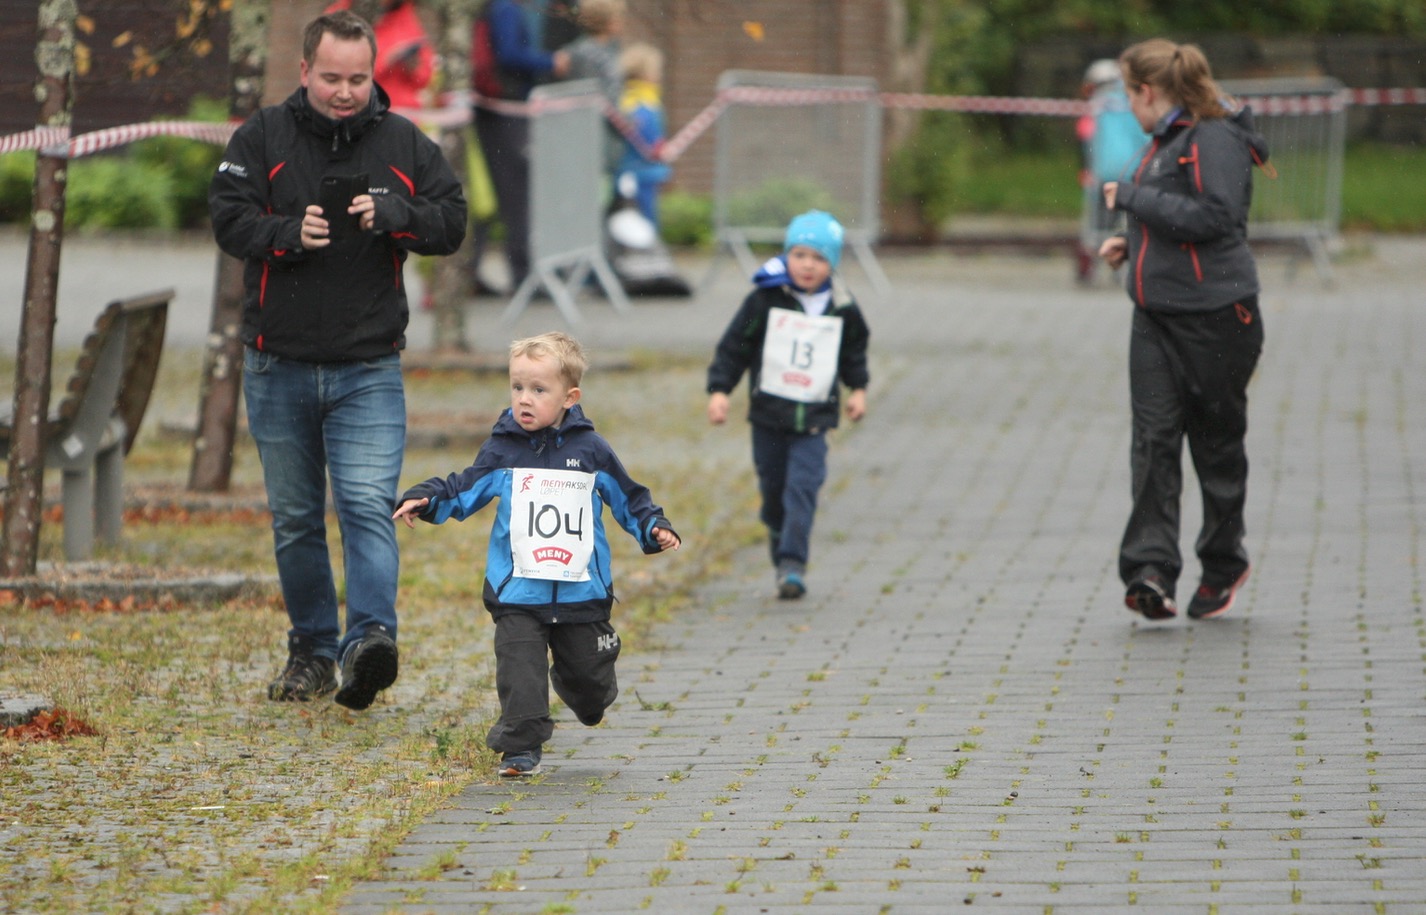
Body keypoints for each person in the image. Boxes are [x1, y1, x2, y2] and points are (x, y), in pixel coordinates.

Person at [209, 10, 467, 708]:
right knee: (295, 517)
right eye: (332, 78)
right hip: (278, 362)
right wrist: (288, 233)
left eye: (358, 78)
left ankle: (370, 642)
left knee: (365, 505)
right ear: (304, 71)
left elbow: (453, 220)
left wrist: (398, 215)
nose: (346, 91)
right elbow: (227, 217)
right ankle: (313, 651)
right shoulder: (262, 135)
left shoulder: (404, 142)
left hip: (367, 367)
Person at [393, 332, 681, 777]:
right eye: (517, 387)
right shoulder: (502, 449)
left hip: (580, 592)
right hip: (517, 593)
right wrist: (427, 498)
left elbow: (629, 498)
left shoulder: (591, 451)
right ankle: (520, 747)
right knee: (520, 671)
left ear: (570, 397)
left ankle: (582, 687)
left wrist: (652, 526)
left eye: (538, 390)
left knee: (589, 687)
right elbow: (463, 489)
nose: (524, 400)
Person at [1097, 39, 1270, 623]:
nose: (1129, 106)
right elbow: (1175, 218)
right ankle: (1149, 571)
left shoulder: (1215, 136)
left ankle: (1223, 563)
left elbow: (1217, 216)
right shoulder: (1165, 140)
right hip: (1154, 316)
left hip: (1218, 317)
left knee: (1215, 446)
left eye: (1128, 94)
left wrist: (1134, 201)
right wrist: (1134, 244)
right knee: (1154, 442)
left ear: (1148, 91)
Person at [706, 210, 870, 600]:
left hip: (814, 419)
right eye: (799, 255)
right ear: (786, 256)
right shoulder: (765, 300)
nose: (808, 266)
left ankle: (792, 564)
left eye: (817, 258)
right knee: (775, 492)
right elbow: (735, 347)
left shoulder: (842, 306)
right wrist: (719, 391)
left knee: (803, 489)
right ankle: (779, 538)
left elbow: (854, 351)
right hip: (768, 417)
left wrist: (858, 389)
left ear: (831, 263)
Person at [471, 0, 571, 291]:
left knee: (496, 195)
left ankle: (475, 272)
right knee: (516, 195)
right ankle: (523, 275)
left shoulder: (496, 7)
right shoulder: (506, 8)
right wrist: (549, 62)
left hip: (496, 112)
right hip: (505, 111)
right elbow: (509, 54)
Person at [1075, 58, 1147, 283]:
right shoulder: (1131, 103)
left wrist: (1086, 167)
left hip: (1102, 172)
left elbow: (1086, 136)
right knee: (1126, 222)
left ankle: (1090, 265)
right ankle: (1120, 269)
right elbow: (1144, 136)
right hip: (1132, 173)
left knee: (1096, 224)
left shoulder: (1097, 106)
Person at [324, 0, 434, 110]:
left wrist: (413, 68)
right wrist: (386, 60)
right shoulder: (338, 17)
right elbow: (334, 71)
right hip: (360, 110)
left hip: (403, 111)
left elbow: (425, 77)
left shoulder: (405, 16)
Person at [614, 42, 671, 231]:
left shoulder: (624, 98)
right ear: (647, 74)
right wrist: (659, 149)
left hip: (625, 169)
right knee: (646, 219)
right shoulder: (645, 103)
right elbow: (649, 136)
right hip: (642, 171)